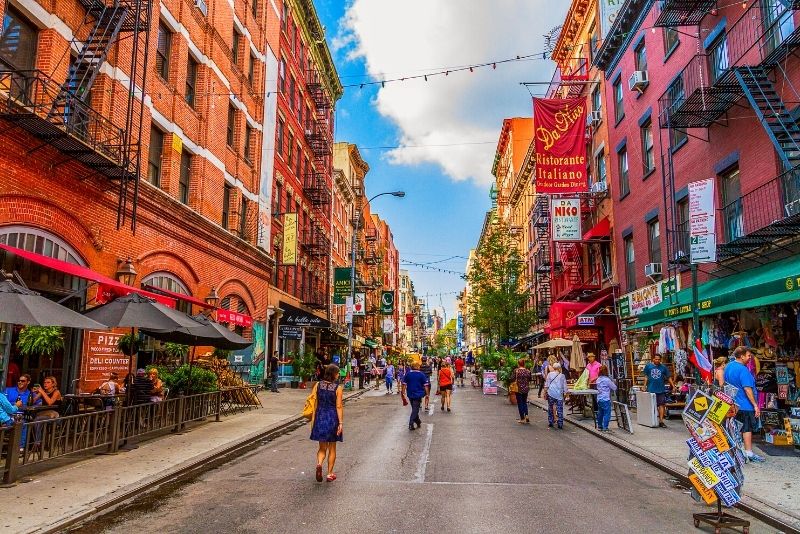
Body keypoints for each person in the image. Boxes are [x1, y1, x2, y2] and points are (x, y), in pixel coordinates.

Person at [724, 347, 765, 463]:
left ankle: (736, 452)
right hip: (745, 405)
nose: (750, 357)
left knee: (734, 428)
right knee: (746, 429)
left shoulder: (729, 366)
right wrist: (755, 405)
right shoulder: (743, 370)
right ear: (741, 356)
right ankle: (748, 453)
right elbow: (747, 389)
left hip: (733, 404)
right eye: (748, 355)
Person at [310, 364, 344, 482]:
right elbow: (339, 406)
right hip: (332, 418)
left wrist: (313, 417)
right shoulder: (337, 388)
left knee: (322, 448)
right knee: (332, 448)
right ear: (334, 374)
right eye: (338, 373)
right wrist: (340, 422)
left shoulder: (318, 385)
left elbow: (314, 402)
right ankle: (329, 474)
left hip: (320, 417)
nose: (338, 375)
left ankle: (319, 464)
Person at [643, 354, 674, 428]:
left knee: (661, 405)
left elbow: (668, 377)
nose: (657, 361)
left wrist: (673, 385)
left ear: (661, 360)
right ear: (653, 359)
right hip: (651, 389)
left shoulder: (663, 367)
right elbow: (646, 376)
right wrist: (644, 386)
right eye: (656, 359)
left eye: (659, 359)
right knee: (652, 406)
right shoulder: (648, 366)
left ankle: (661, 421)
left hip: (660, 389)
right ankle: (652, 420)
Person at [401, 361, 430, 430]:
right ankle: (411, 423)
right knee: (415, 409)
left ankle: (418, 421)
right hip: (418, 394)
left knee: (414, 408)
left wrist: (403, 392)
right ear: (417, 367)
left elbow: (404, 384)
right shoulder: (421, 375)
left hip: (410, 394)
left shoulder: (408, 374)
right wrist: (427, 394)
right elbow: (426, 386)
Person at [543, 362, 567, 429]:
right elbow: (564, 385)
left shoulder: (550, 374)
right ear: (559, 368)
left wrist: (545, 392)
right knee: (560, 409)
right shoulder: (562, 376)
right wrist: (566, 393)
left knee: (550, 407)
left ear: (553, 368)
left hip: (551, 393)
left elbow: (547, 384)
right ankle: (560, 423)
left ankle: (551, 422)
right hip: (559, 394)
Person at [595, 365, 618, 432]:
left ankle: (599, 426)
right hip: (605, 398)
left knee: (600, 413)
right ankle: (605, 427)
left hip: (599, 398)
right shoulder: (607, 380)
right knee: (607, 413)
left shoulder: (598, 379)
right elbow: (614, 387)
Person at [512, 359, 532, 424]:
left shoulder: (516, 371)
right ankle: (526, 415)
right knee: (524, 402)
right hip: (526, 389)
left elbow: (512, 378)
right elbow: (530, 379)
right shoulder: (527, 371)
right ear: (524, 364)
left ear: (518, 364)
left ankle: (522, 418)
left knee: (520, 403)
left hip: (518, 389)